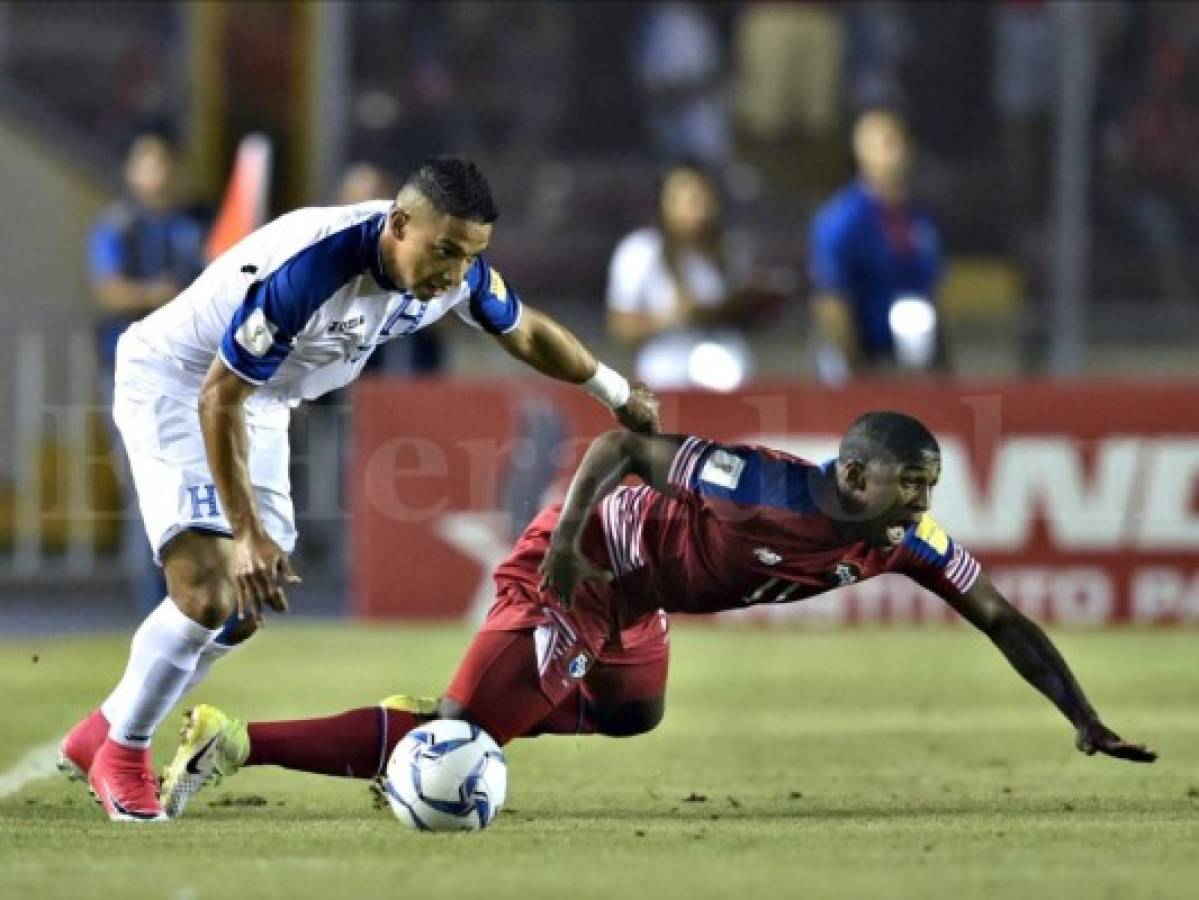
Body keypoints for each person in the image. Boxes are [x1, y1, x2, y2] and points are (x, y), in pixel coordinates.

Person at [159, 411, 1156, 820]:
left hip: (643, 599)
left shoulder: (904, 540)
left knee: (634, 714)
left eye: (928, 484)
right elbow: (628, 443)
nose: (922, 498)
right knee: (457, 740)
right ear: (853, 473)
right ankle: (233, 740)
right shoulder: (758, 483)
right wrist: (559, 542)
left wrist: (1077, 713)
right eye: (910, 481)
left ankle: (481, 697)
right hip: (587, 567)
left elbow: (1001, 616)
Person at [58, 156, 660, 822]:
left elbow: (524, 330)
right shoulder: (314, 267)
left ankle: (102, 729)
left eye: (470, 257)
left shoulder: (447, 273)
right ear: (399, 224)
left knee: (242, 607)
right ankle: (125, 753)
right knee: (208, 588)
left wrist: (611, 388)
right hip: (183, 385)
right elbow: (218, 395)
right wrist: (249, 533)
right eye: (446, 252)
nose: (456, 273)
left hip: (259, 402)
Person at [89, 126, 208, 614]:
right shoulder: (117, 226)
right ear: (132, 171)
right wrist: (159, 295)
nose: (158, 174)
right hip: (130, 376)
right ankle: (154, 603)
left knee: (194, 484)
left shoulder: (192, 226)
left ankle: (195, 601)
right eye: (148, 163)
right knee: (146, 486)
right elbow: (108, 290)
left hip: (186, 374)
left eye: (165, 163)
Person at [809, 109, 944, 383]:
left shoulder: (920, 220)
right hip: (861, 367)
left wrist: (940, 367)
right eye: (882, 144)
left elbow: (932, 293)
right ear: (860, 153)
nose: (892, 154)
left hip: (913, 365)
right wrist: (859, 372)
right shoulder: (842, 221)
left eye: (896, 142)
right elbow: (832, 301)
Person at [607, 161, 751, 389]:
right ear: (663, 203)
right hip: (665, 375)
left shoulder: (731, 252)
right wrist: (673, 317)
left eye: (699, 200)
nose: (692, 211)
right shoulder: (640, 252)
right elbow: (621, 327)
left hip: (726, 374)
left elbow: (740, 315)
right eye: (681, 201)